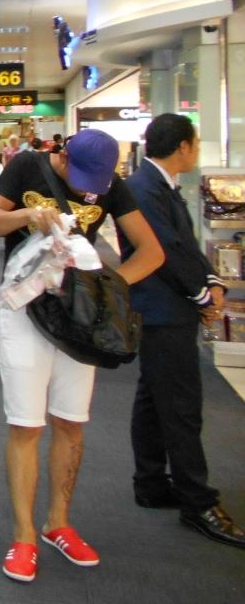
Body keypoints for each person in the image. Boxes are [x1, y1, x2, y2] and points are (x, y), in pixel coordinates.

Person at [0, 129, 163, 583]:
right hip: (26, 311)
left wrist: (107, 288)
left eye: (96, 184)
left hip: (79, 322)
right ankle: (23, 534)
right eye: (80, 178)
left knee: (70, 422)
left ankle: (57, 522)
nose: (88, 190)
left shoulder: (111, 185)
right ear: (61, 157)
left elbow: (152, 251)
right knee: (26, 425)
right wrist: (26, 214)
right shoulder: (27, 166)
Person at [121, 114, 245, 547]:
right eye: (196, 142)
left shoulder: (158, 185)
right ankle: (197, 501)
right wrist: (203, 294)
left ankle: (151, 482)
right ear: (182, 147)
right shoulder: (144, 188)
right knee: (180, 406)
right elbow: (165, 252)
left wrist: (210, 281)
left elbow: (184, 245)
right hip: (161, 310)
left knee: (155, 399)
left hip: (166, 308)